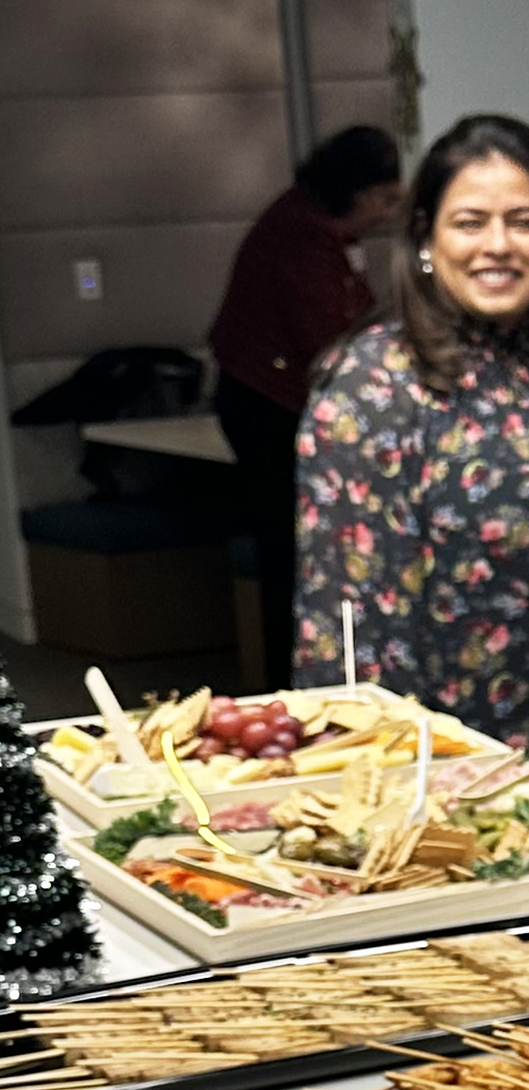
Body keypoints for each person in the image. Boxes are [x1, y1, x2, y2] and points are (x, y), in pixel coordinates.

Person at [291, 113, 529, 776]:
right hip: (455, 791)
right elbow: (348, 628)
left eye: (523, 221)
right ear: (425, 237)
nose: (498, 244)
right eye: (470, 222)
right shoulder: (373, 387)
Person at [210, 125, 401, 689]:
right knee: (291, 553)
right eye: (386, 198)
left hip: (272, 397)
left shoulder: (321, 231)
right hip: (267, 405)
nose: (388, 213)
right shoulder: (301, 238)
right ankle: (285, 685)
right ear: (358, 192)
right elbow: (325, 342)